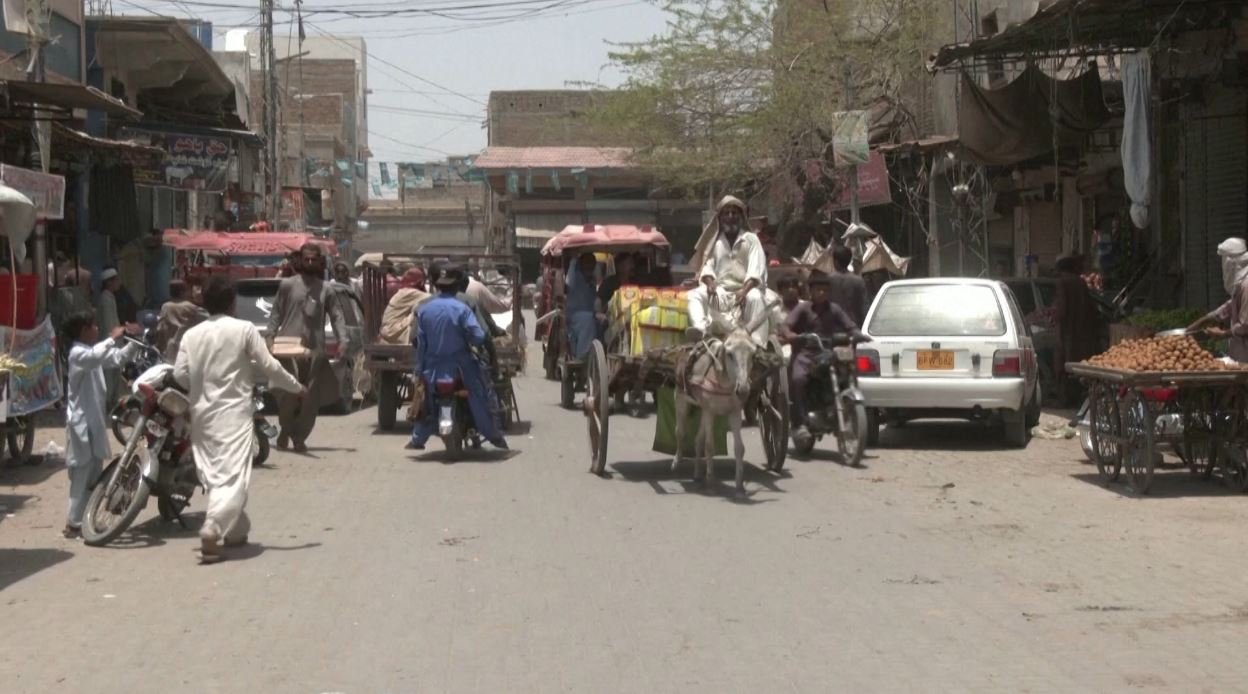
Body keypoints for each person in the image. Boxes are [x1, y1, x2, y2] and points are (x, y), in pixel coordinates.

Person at [175, 276, 304, 564]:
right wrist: (297, 387)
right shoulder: (244, 329)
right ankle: (212, 528)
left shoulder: (191, 336)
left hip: (202, 416)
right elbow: (269, 365)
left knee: (220, 477)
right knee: (232, 479)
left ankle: (236, 531)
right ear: (232, 303)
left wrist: (202, 382)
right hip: (234, 415)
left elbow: (180, 375)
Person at [407, 266, 508, 451]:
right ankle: (494, 435)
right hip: (461, 366)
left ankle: (417, 438)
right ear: (457, 287)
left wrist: (420, 368)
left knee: (426, 402)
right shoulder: (463, 308)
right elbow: (479, 335)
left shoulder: (424, 309)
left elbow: (418, 340)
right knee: (482, 396)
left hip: (431, 368)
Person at [61, 311, 140, 538]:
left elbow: (116, 359)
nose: (97, 329)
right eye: (93, 326)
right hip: (81, 425)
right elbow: (97, 356)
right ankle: (73, 523)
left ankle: (85, 520)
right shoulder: (78, 353)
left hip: (93, 423)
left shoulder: (90, 352)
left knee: (93, 474)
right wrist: (113, 337)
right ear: (84, 330)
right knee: (81, 474)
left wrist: (133, 342)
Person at [266, 243, 347, 453]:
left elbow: (337, 315)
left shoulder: (326, 289)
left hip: (315, 352)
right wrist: (270, 338)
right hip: (288, 349)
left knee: (310, 397)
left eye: (314, 259)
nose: (310, 262)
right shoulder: (287, 285)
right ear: (300, 260)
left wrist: (343, 340)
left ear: (319, 261)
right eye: (306, 259)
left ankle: (299, 437)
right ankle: (286, 429)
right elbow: (275, 314)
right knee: (288, 394)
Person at [782, 271, 867, 445]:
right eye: (818, 290)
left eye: (825, 290)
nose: (822, 293)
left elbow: (850, 325)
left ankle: (837, 409)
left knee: (847, 373)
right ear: (810, 291)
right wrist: (790, 335)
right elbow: (786, 325)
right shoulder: (803, 308)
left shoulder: (834, 308)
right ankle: (799, 423)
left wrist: (858, 334)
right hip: (806, 353)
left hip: (827, 352)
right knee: (798, 379)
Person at [688, 195, 769, 343]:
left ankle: (758, 343)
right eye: (726, 213)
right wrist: (711, 283)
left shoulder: (751, 239)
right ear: (720, 218)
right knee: (695, 295)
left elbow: (756, 270)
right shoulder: (715, 241)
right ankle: (701, 331)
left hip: (745, 291)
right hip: (721, 293)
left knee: (756, 297)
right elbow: (707, 266)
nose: (730, 216)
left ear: (741, 217)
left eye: (734, 213)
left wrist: (744, 291)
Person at [1190, 237, 1248, 362]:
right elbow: (1230, 306)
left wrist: (1223, 334)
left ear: (1230, 262)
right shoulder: (1241, 284)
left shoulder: (1246, 285)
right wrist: (1204, 320)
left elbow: (1245, 326)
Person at [1053, 255, 1101, 404]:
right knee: (1080, 367)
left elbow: (1062, 308)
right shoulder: (1080, 282)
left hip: (1068, 331)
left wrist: (1055, 319)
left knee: (1063, 365)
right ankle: (1081, 397)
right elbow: (1091, 308)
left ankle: (1064, 399)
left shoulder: (1062, 282)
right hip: (1083, 331)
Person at [153, 280, 208, 363]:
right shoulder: (190, 307)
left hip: (168, 351)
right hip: (186, 351)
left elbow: (160, 329)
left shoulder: (165, 307)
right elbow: (208, 317)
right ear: (183, 292)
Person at [380, 267, 432, 345]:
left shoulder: (404, 291)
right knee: (419, 312)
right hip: (392, 331)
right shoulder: (410, 293)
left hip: (389, 329)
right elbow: (433, 299)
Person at [826, 245, 869, 327]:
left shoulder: (828, 280)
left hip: (833, 325)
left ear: (836, 261)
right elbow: (864, 306)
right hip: (854, 325)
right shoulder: (858, 281)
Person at [565, 252, 599, 359]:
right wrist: (574, 259)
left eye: (592, 264)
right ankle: (583, 356)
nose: (590, 266)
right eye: (587, 263)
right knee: (588, 319)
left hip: (590, 313)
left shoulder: (592, 281)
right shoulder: (575, 275)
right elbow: (569, 283)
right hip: (574, 315)